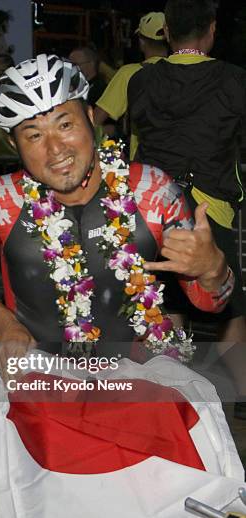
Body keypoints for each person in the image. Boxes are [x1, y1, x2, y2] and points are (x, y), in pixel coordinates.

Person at [0, 54, 233, 375]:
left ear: (91, 117)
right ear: (13, 143)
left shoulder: (152, 192)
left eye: (65, 124)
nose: (55, 149)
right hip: (42, 385)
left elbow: (211, 301)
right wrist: (0, 321)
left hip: (141, 388)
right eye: (34, 135)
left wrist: (213, 271)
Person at [127, 0, 246, 412]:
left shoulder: (141, 81)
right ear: (212, 29)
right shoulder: (233, 79)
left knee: (168, 303)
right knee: (232, 305)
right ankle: (241, 397)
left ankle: (171, 394)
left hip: (154, 208)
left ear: (167, 33)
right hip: (210, 208)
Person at [94, 12, 169, 160]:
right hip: (181, 166)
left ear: (141, 41)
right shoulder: (186, 71)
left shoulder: (129, 73)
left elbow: (95, 121)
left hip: (144, 169)